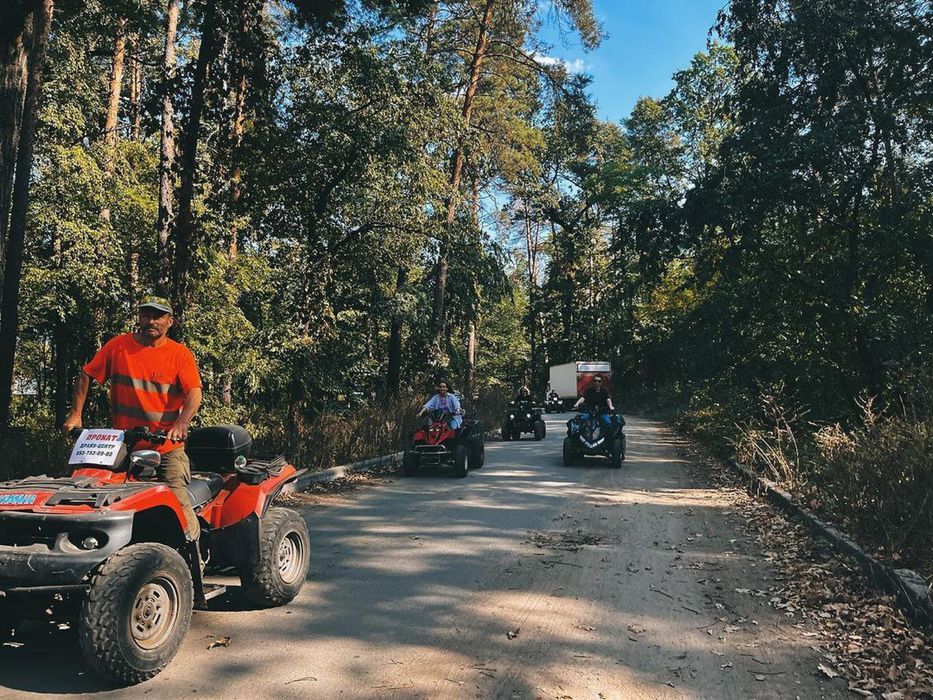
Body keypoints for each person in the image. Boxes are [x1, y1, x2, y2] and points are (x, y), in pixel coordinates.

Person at [63, 296, 203, 541]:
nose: (151, 321)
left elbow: (194, 392)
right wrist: (76, 415)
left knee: (177, 500)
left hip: (165, 445)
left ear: (169, 322)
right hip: (122, 444)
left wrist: (181, 424)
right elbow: (86, 375)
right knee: (91, 490)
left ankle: (192, 558)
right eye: (146, 315)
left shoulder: (179, 354)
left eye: (158, 316)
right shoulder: (118, 346)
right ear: (139, 318)